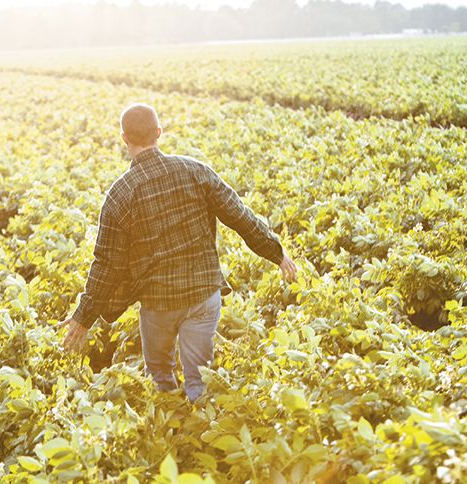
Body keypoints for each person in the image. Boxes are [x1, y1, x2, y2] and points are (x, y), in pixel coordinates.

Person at [60, 103, 297, 402]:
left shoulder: (121, 194)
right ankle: (201, 427)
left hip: (159, 304)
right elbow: (240, 216)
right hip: (203, 294)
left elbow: (107, 264)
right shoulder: (195, 171)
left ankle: (172, 431)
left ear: (124, 139)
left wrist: (83, 318)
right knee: (200, 378)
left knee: (160, 376)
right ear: (159, 132)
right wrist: (276, 253)